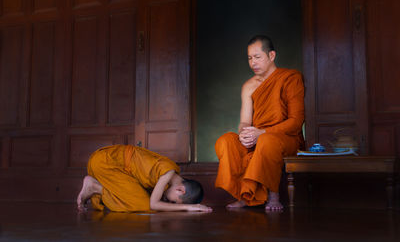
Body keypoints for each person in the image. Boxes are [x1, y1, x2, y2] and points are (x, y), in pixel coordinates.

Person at [215, 35, 305, 211]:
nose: (252, 63)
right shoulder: (248, 86)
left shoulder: (290, 78)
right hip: (257, 136)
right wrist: (245, 134)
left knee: (266, 141)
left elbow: (296, 122)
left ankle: (273, 195)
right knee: (226, 140)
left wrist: (262, 133)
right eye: (249, 58)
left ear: (271, 56)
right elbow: (244, 121)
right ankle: (243, 195)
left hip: (285, 138)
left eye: (257, 57)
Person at [77, 144, 212, 212]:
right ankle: (95, 187)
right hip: (105, 163)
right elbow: (153, 204)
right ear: (180, 190)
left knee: (144, 196)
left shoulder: (170, 176)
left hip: (104, 161)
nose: (169, 202)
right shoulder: (168, 172)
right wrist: (187, 208)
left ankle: (95, 186)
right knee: (144, 206)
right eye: (174, 202)